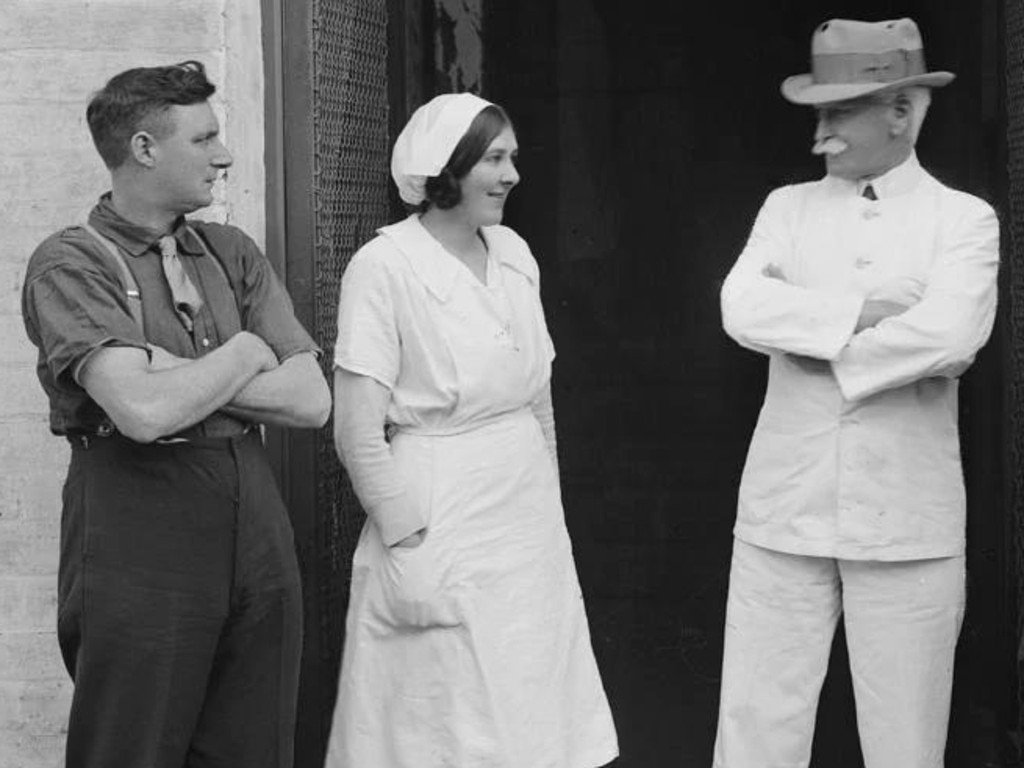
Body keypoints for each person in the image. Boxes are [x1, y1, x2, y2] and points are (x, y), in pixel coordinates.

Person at [21, 61, 331, 768]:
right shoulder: (70, 263)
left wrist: (174, 375)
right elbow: (141, 411)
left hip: (253, 516)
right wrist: (248, 350)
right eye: (205, 138)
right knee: (132, 748)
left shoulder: (232, 252)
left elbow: (311, 401)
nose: (223, 155)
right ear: (144, 148)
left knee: (254, 749)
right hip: (138, 523)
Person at [714, 18, 999, 768]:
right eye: (820, 109)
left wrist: (813, 340)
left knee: (905, 743)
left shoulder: (963, 220)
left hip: (907, 521)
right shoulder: (786, 209)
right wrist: (865, 314)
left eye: (841, 109)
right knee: (755, 731)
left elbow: (952, 334)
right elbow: (740, 308)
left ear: (900, 111)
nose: (823, 129)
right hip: (785, 509)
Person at [325, 93, 619, 768]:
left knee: (530, 705)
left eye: (512, 157)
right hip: (439, 510)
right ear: (446, 169)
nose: (512, 174)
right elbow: (357, 431)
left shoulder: (514, 253)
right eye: (494, 158)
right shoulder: (385, 267)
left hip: (523, 518)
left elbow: (537, 398)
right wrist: (408, 538)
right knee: (445, 713)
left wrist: (548, 504)